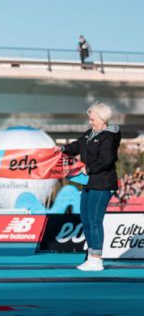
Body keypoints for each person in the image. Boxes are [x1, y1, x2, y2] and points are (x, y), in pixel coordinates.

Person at [57, 102, 121, 271]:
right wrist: (62, 148)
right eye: (90, 119)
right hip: (88, 183)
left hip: (102, 183)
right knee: (85, 220)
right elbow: (77, 145)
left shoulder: (109, 137)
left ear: (102, 119)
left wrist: (89, 168)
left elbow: (107, 160)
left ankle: (96, 259)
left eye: (92, 119)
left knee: (95, 220)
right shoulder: (90, 133)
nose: (90, 122)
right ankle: (91, 256)